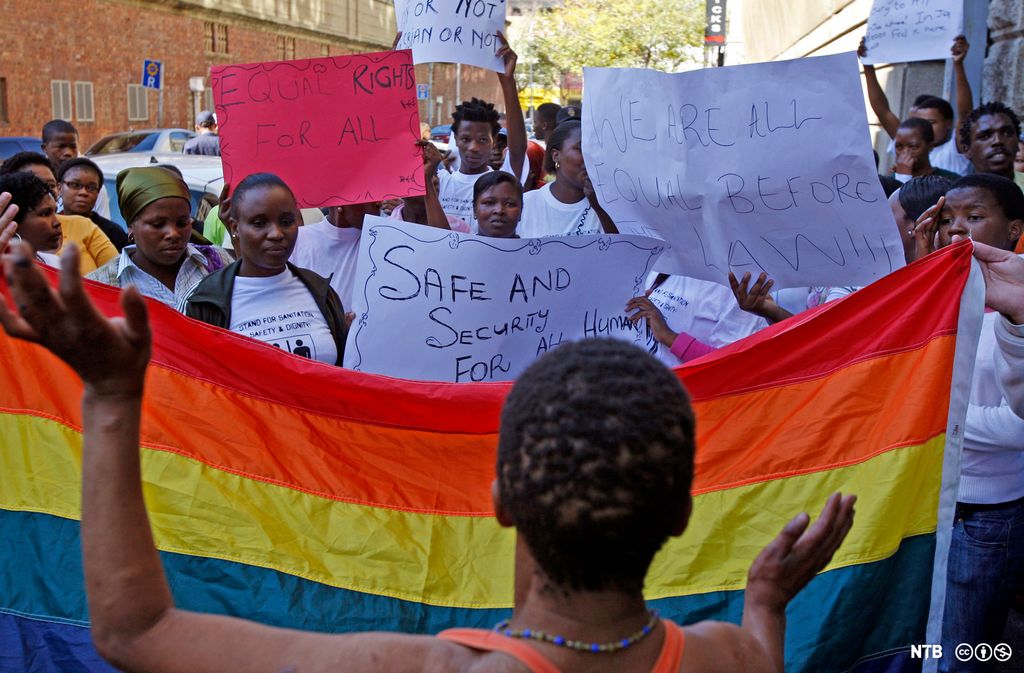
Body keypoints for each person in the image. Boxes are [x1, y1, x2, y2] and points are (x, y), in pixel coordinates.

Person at [0, 234, 857, 673]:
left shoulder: (418, 665)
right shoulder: (723, 654)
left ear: (500, 500)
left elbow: (137, 629)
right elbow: (755, 653)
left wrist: (112, 398)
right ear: (679, 510)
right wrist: (766, 602)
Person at [914, 173, 1024, 671]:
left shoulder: (1015, 305)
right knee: (925, 642)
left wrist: (935, 409)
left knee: (964, 654)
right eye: (946, 220)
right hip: (930, 501)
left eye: (974, 218)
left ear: (1014, 229)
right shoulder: (937, 293)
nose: (956, 231)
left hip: (987, 517)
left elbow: (1018, 428)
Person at [184, 173, 348, 365]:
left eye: (286, 222)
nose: (276, 234)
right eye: (259, 223)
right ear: (235, 227)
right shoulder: (205, 302)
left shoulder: (322, 292)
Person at [86, 167, 231, 308]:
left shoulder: (217, 261)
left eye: (182, 223)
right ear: (131, 225)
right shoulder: (100, 285)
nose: (173, 233)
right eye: (158, 224)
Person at [437, 33, 528, 230]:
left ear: (494, 141)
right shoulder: (440, 183)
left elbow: (518, 149)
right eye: (466, 139)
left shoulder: (504, 181)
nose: (474, 147)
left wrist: (507, 82)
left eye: (483, 140)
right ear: (456, 140)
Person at [858, 36, 972, 176]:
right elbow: (883, 111)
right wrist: (867, 65)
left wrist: (958, 65)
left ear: (948, 124)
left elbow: (966, 114)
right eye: (900, 146)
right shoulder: (905, 144)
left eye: (931, 122)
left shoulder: (953, 151)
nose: (924, 127)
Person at [0, 151, 117, 274]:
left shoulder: (56, 265)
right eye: (45, 213)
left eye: (50, 185)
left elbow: (117, 277)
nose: (57, 222)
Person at [627, 272, 768, 366]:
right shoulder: (663, 266)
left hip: (685, 404)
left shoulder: (740, 289)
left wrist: (668, 336)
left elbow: (733, 367)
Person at [518, 120, 618, 238]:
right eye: (581, 149)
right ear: (556, 155)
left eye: (594, 150)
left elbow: (621, 249)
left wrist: (600, 208)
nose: (590, 156)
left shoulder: (612, 205)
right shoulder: (525, 205)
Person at [40, 119, 112, 218]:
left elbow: (103, 227)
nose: (68, 153)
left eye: (73, 147)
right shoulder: (36, 184)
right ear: (45, 148)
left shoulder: (93, 188)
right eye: (61, 146)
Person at [57, 157, 130, 251]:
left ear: (98, 192)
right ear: (59, 188)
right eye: (75, 185)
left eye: (91, 188)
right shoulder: (51, 226)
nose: (83, 192)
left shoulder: (112, 232)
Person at [0, 173, 63, 265]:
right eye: (45, 213)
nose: (57, 223)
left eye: (55, 212)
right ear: (12, 222)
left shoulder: (57, 263)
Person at [960, 101, 1024, 190]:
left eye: (1007, 133)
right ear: (967, 150)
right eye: (985, 136)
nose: (998, 141)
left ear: (1017, 142)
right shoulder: (955, 197)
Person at [890, 118, 960, 183]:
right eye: (899, 147)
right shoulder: (890, 181)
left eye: (913, 147)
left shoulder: (950, 180)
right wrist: (902, 177)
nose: (904, 153)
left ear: (930, 146)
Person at [473, 171, 523, 239]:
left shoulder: (534, 249)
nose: (499, 210)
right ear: (474, 210)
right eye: (489, 203)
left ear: (521, 211)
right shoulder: (460, 248)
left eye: (509, 204)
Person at [526, 102, 561, 190]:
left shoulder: (558, 155)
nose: (533, 127)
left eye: (535, 122)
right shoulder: (544, 152)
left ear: (544, 125)